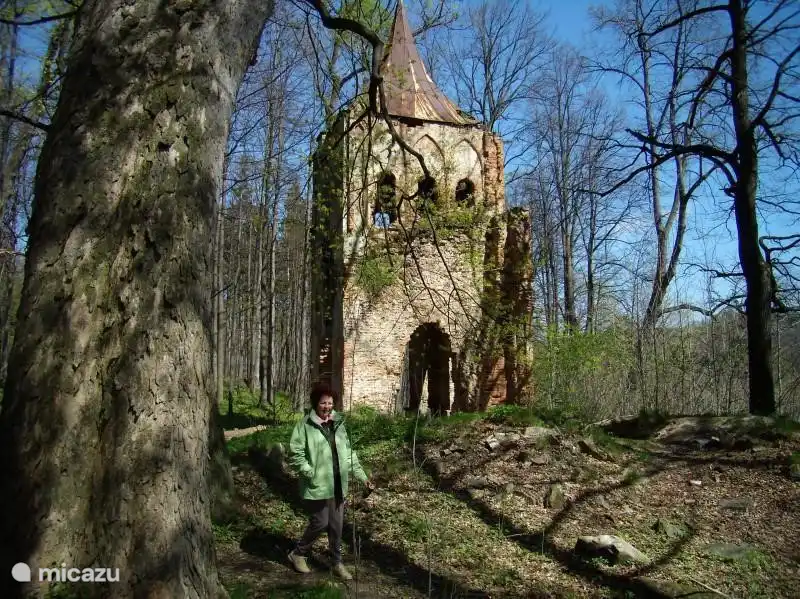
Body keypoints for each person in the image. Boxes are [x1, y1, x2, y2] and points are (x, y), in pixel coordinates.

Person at [287, 382, 373, 580]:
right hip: (317, 484)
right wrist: (309, 472)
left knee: (337, 526)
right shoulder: (304, 426)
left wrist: (363, 477)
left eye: (330, 403)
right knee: (320, 522)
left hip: (338, 483)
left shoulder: (339, 424)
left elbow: (349, 454)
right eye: (323, 403)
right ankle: (298, 553)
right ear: (315, 404)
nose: (327, 407)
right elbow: (295, 453)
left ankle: (336, 562)